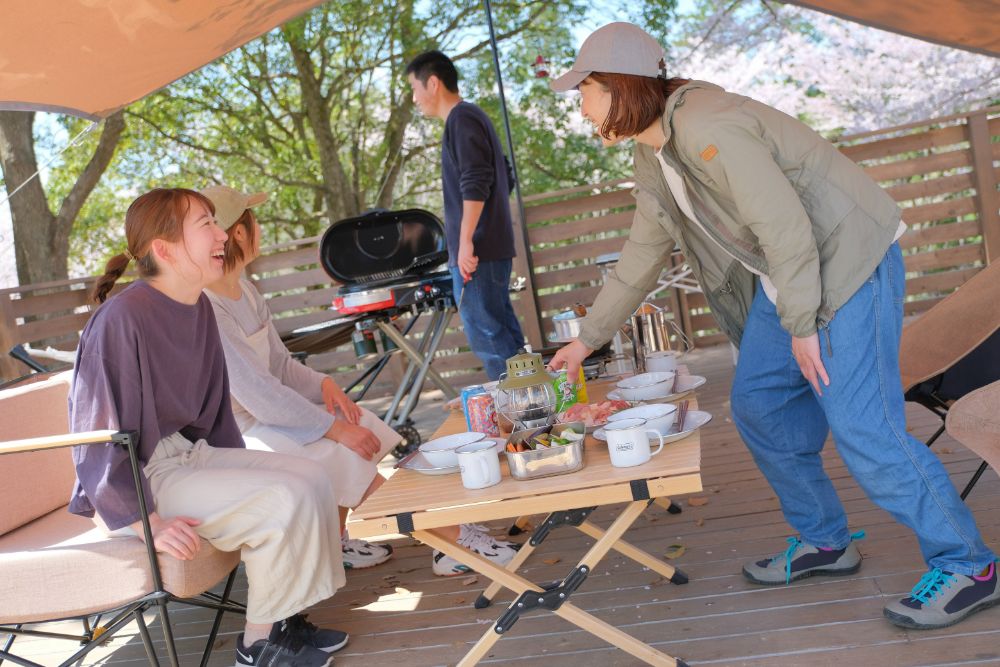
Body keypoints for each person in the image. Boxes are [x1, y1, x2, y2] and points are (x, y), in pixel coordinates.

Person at [548, 22, 999, 630]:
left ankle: (969, 566)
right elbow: (642, 251)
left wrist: (804, 323)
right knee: (760, 403)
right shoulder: (655, 151)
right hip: (790, 275)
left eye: (583, 90)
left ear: (618, 88)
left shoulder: (706, 124)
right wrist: (584, 341)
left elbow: (786, 224)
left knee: (866, 428)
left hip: (845, 264)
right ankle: (825, 541)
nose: (579, 106)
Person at [70, 188, 347, 667]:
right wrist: (144, 520)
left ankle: (285, 620)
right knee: (278, 499)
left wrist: (241, 466)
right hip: (138, 478)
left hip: (185, 455)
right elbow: (95, 437)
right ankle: (257, 648)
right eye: (206, 225)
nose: (223, 234)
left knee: (309, 477)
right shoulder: (121, 318)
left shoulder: (196, 305)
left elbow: (212, 411)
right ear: (165, 248)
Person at [201, 184, 521, 576]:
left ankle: (339, 545)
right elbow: (259, 396)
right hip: (241, 429)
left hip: (269, 416)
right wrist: (332, 429)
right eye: (254, 221)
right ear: (238, 232)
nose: (259, 228)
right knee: (340, 448)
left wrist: (325, 386)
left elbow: (282, 368)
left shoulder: (245, 290)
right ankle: (449, 542)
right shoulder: (210, 307)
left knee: (360, 424)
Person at [405, 50, 525, 380]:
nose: (415, 99)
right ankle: (536, 408)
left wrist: (467, 241)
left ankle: (523, 417)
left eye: (415, 89)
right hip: (491, 248)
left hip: (478, 253)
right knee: (504, 337)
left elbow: (477, 180)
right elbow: (504, 176)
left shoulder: (461, 119)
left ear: (433, 83)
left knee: (488, 339)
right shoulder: (472, 117)